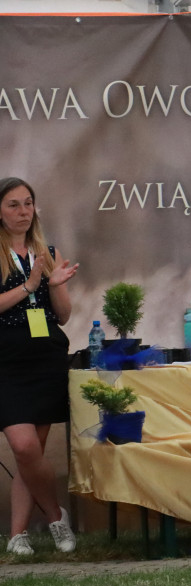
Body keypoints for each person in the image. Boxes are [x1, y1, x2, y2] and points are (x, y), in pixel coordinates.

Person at [0, 177, 79, 555]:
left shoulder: (46, 252)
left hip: (45, 361)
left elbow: (62, 316)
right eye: (13, 204)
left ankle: (18, 535)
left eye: (28, 203)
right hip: (7, 364)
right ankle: (55, 517)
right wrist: (30, 286)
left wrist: (54, 285)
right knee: (24, 446)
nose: (23, 212)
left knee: (29, 456)